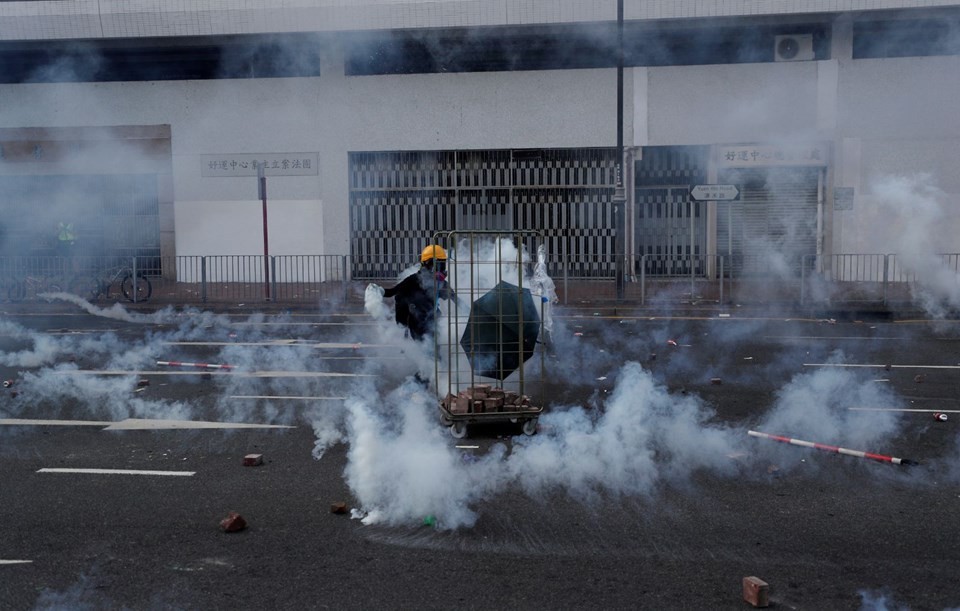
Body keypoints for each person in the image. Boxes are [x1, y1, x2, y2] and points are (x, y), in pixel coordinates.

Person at [378, 244, 458, 341]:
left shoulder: (441, 284)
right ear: (428, 265)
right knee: (425, 351)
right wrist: (378, 290)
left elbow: (456, 299)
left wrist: (473, 314)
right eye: (438, 265)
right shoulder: (412, 281)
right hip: (417, 325)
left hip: (433, 324)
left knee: (434, 352)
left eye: (443, 265)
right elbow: (391, 292)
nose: (441, 270)